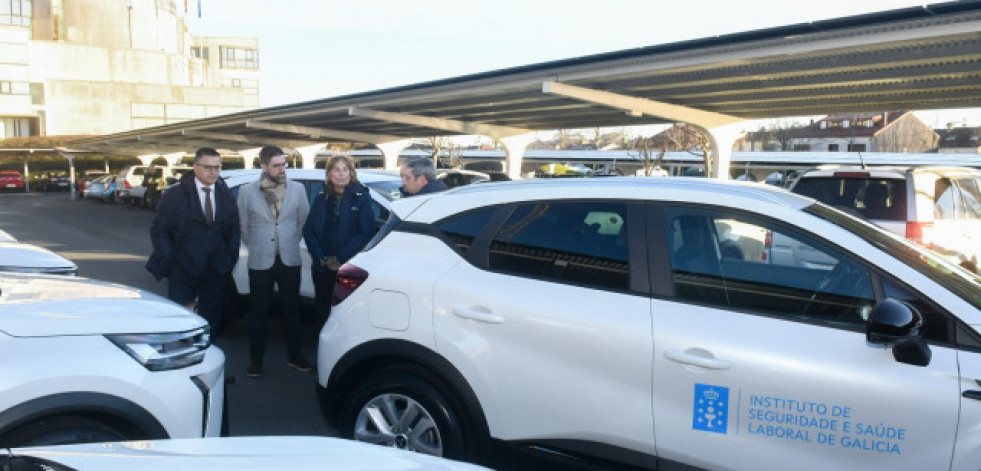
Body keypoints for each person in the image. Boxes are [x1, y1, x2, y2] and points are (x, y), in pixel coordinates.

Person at [147, 147, 240, 333]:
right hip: (183, 270)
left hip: (216, 270)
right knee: (180, 320)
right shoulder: (175, 194)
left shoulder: (224, 193)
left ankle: (207, 355)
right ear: (195, 167)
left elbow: (233, 230)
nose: (213, 172)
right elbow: (159, 230)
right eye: (208, 167)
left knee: (211, 321)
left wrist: (229, 259)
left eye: (217, 167)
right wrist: (170, 259)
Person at [237, 145, 310, 378]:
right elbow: (244, 227)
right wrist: (261, 245)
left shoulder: (297, 189)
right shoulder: (247, 192)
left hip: (289, 258)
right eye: (276, 165)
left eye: (283, 164)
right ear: (264, 167)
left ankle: (295, 356)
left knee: (292, 311)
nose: (282, 169)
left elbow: (302, 222)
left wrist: (287, 241)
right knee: (258, 312)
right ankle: (256, 360)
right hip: (260, 260)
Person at [302, 155, 374, 322]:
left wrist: (339, 259)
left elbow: (365, 232)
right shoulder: (321, 198)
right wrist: (320, 257)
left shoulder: (361, 197)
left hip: (347, 269)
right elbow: (308, 230)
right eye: (336, 169)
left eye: (345, 169)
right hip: (321, 268)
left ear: (351, 173)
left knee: (345, 315)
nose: (341, 174)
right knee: (323, 312)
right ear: (329, 174)